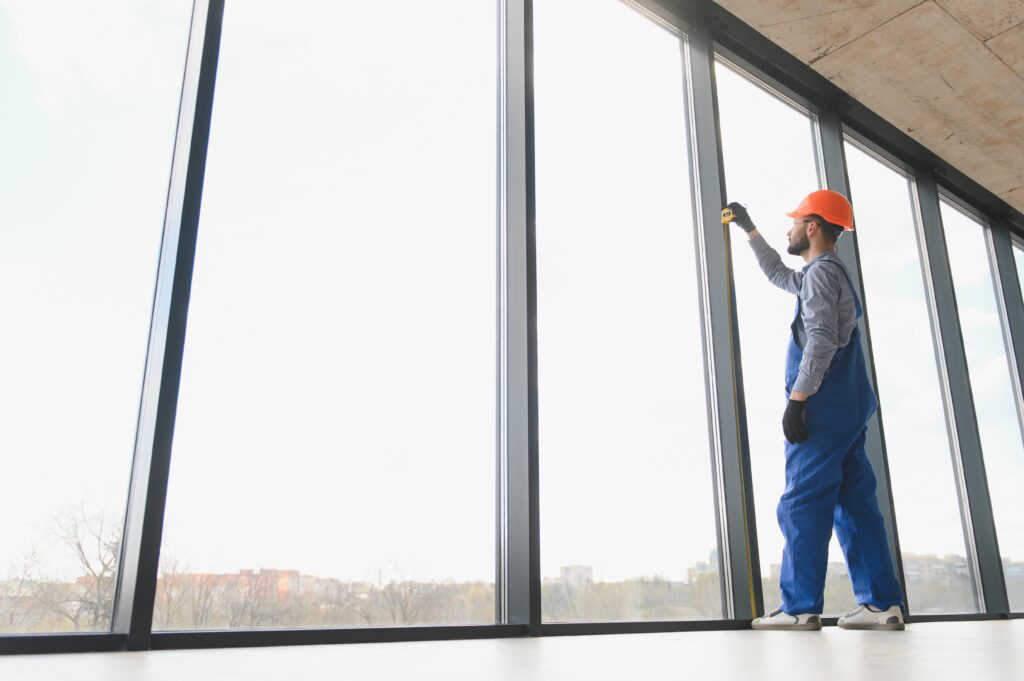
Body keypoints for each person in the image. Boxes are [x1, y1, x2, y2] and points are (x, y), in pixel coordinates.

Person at [724, 190, 906, 632]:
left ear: (812, 226)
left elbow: (822, 338)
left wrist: (798, 401)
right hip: (848, 406)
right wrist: (749, 229)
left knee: (802, 501)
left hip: (823, 407)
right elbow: (777, 273)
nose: (789, 229)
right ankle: (882, 604)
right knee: (856, 504)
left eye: (794, 222)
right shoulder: (823, 273)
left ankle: (800, 607)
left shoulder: (821, 275)